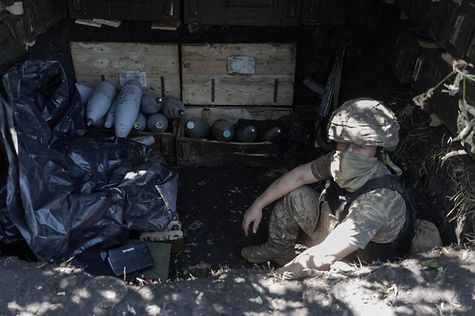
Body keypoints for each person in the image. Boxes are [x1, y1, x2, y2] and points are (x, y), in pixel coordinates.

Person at [241, 98, 414, 279]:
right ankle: (277, 250)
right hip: (337, 225)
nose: (348, 152)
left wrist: (272, 281)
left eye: (359, 146)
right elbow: (299, 176)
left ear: (377, 149)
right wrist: (258, 204)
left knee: (327, 277)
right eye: (343, 143)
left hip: (361, 264)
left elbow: (326, 254)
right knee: (296, 197)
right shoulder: (337, 160)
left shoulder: (380, 199)